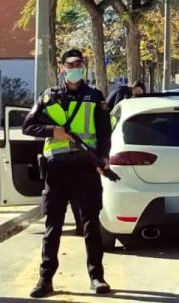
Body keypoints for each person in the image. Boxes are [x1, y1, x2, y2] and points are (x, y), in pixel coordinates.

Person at [22, 49, 112, 298]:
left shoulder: (94, 97)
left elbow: (105, 132)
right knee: (54, 224)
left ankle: (97, 277)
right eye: (70, 64)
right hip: (57, 168)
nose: (75, 68)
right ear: (62, 67)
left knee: (91, 224)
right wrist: (53, 130)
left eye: (79, 64)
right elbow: (29, 126)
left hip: (85, 166)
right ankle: (45, 279)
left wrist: (103, 158)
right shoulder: (50, 97)